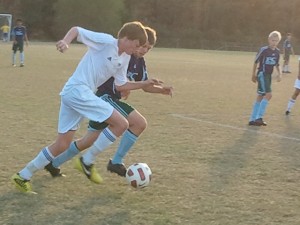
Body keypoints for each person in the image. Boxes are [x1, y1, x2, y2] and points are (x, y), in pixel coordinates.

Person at [11, 21, 162, 193]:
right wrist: (66, 41)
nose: (137, 50)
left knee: (62, 144)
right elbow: (76, 30)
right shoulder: (106, 41)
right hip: (77, 91)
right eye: (136, 45)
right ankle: (87, 160)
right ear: (126, 38)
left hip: (77, 94)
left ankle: (22, 175)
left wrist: (144, 83)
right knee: (121, 124)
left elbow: (120, 85)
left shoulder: (125, 57)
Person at [45, 27, 173, 182]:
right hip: (104, 97)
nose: (144, 50)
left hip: (111, 100)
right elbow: (122, 82)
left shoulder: (139, 62)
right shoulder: (124, 52)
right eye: (143, 46)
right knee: (139, 123)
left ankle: (54, 163)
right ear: (135, 43)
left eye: (148, 48)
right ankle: (114, 162)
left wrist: (160, 90)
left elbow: (145, 85)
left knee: (88, 141)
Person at [248, 31, 282, 126]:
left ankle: (252, 119)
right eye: (272, 40)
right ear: (269, 40)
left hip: (268, 76)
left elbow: (277, 64)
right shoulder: (263, 50)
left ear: (278, 41)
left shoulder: (277, 52)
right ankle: (259, 117)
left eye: (276, 41)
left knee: (261, 96)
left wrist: (280, 74)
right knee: (268, 95)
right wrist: (253, 74)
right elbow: (256, 61)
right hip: (262, 74)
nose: (274, 42)